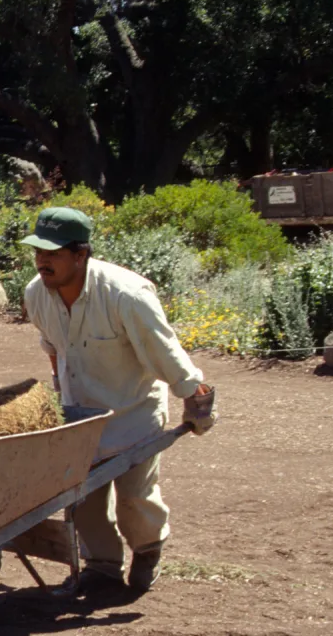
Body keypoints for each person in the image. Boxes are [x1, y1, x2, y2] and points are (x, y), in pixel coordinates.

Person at [21, 207, 216, 595]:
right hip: (81, 416)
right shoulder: (35, 294)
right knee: (84, 500)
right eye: (38, 252)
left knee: (134, 498)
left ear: (81, 254)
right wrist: (61, 393)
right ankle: (102, 567)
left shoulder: (126, 295)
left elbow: (165, 352)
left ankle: (147, 550)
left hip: (133, 414)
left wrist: (196, 400)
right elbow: (54, 347)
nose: (43, 261)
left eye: (54, 253)